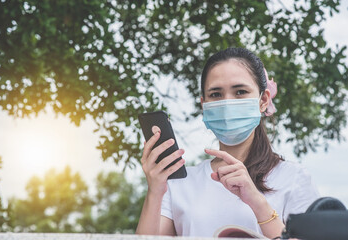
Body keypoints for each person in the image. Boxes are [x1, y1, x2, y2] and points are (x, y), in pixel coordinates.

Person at [135, 47, 320, 238]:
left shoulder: (294, 178)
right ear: (204, 105)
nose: (227, 103)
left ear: (263, 100)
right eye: (215, 94)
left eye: (240, 91)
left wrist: (258, 202)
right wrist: (155, 191)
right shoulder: (179, 183)